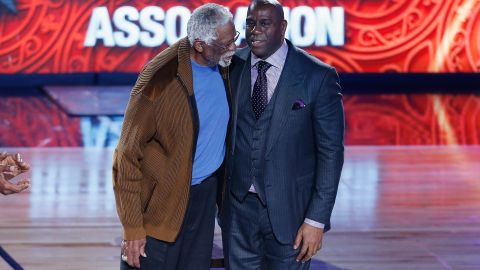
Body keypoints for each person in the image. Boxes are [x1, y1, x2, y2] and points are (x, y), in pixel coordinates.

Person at [221, 0, 345, 269]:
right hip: (238, 210)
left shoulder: (317, 76)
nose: (255, 31)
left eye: (265, 23)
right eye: (250, 23)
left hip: (292, 214)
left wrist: (316, 220)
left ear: (283, 27)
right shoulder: (230, 67)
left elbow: (331, 154)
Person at [113, 3, 237, 269]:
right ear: (201, 45)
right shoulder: (159, 79)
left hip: (204, 199)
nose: (233, 49)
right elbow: (126, 155)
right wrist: (133, 227)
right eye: (226, 44)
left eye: (234, 39)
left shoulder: (226, 65)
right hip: (163, 204)